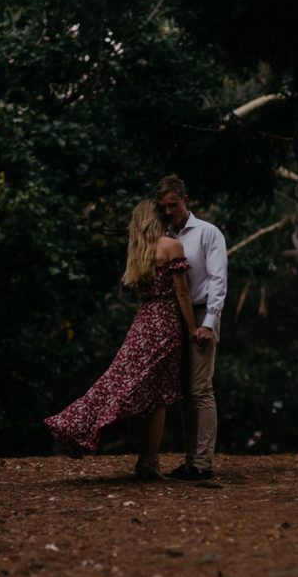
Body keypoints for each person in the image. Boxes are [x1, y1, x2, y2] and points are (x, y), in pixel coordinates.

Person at [43, 199, 198, 480]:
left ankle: (86, 429)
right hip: (164, 324)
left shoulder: (138, 251)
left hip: (142, 323)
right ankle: (148, 463)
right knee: (159, 396)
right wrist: (192, 328)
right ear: (154, 218)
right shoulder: (171, 247)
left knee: (118, 382)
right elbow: (183, 294)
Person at [155, 175, 227, 481]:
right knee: (185, 392)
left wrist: (208, 324)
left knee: (201, 390)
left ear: (187, 200)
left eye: (174, 205)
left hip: (201, 314)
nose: (169, 211)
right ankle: (190, 461)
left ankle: (203, 463)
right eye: (164, 207)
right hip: (175, 318)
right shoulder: (163, 235)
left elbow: (218, 280)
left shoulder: (208, 233)